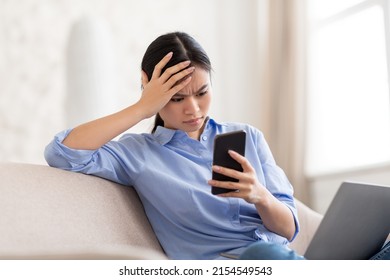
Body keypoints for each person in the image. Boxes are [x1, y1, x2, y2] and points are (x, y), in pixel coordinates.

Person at [45, 31, 388, 260]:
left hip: (284, 260)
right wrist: (141, 108)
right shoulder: (137, 154)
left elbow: (288, 228)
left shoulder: (247, 137)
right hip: (237, 266)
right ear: (150, 90)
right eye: (176, 97)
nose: (193, 109)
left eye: (202, 92)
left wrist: (259, 195)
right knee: (264, 256)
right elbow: (63, 151)